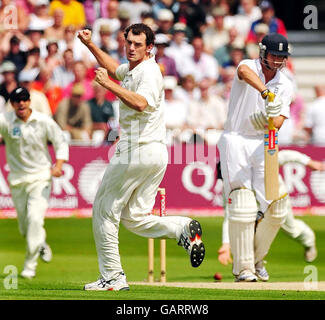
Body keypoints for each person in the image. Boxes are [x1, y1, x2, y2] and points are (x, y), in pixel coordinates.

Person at [77, 23, 205, 291]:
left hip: (136, 150)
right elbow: (114, 67)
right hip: (155, 152)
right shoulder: (134, 68)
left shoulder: (149, 72)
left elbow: (140, 103)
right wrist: (90, 45)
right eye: (128, 43)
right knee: (134, 216)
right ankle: (181, 229)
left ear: (150, 48)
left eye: (137, 44)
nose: (131, 48)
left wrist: (108, 85)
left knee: (103, 210)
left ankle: (112, 277)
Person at [217, 33, 294, 282]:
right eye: (274, 55)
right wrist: (266, 94)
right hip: (235, 138)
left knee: (277, 204)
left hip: (264, 141)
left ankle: (258, 258)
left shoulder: (286, 84)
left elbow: (279, 123)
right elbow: (243, 74)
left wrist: (271, 119)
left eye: (282, 56)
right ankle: (244, 269)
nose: (279, 60)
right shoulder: (249, 66)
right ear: (263, 53)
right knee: (242, 201)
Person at [0, 87, 69, 279]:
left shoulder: (43, 121)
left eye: (24, 99)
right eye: (17, 100)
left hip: (40, 177)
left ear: (29, 101)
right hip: (17, 179)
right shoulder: (5, 120)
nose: (21, 103)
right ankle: (41, 243)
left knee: (35, 219)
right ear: (12, 104)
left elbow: (60, 141)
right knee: (25, 227)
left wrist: (58, 165)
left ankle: (29, 266)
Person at [218, 149, 324, 270]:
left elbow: (286, 156)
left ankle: (309, 241)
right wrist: (226, 244)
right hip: (254, 205)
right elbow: (230, 217)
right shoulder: (229, 188)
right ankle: (257, 264)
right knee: (248, 229)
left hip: (277, 199)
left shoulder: (257, 164)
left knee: (292, 229)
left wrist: (309, 162)